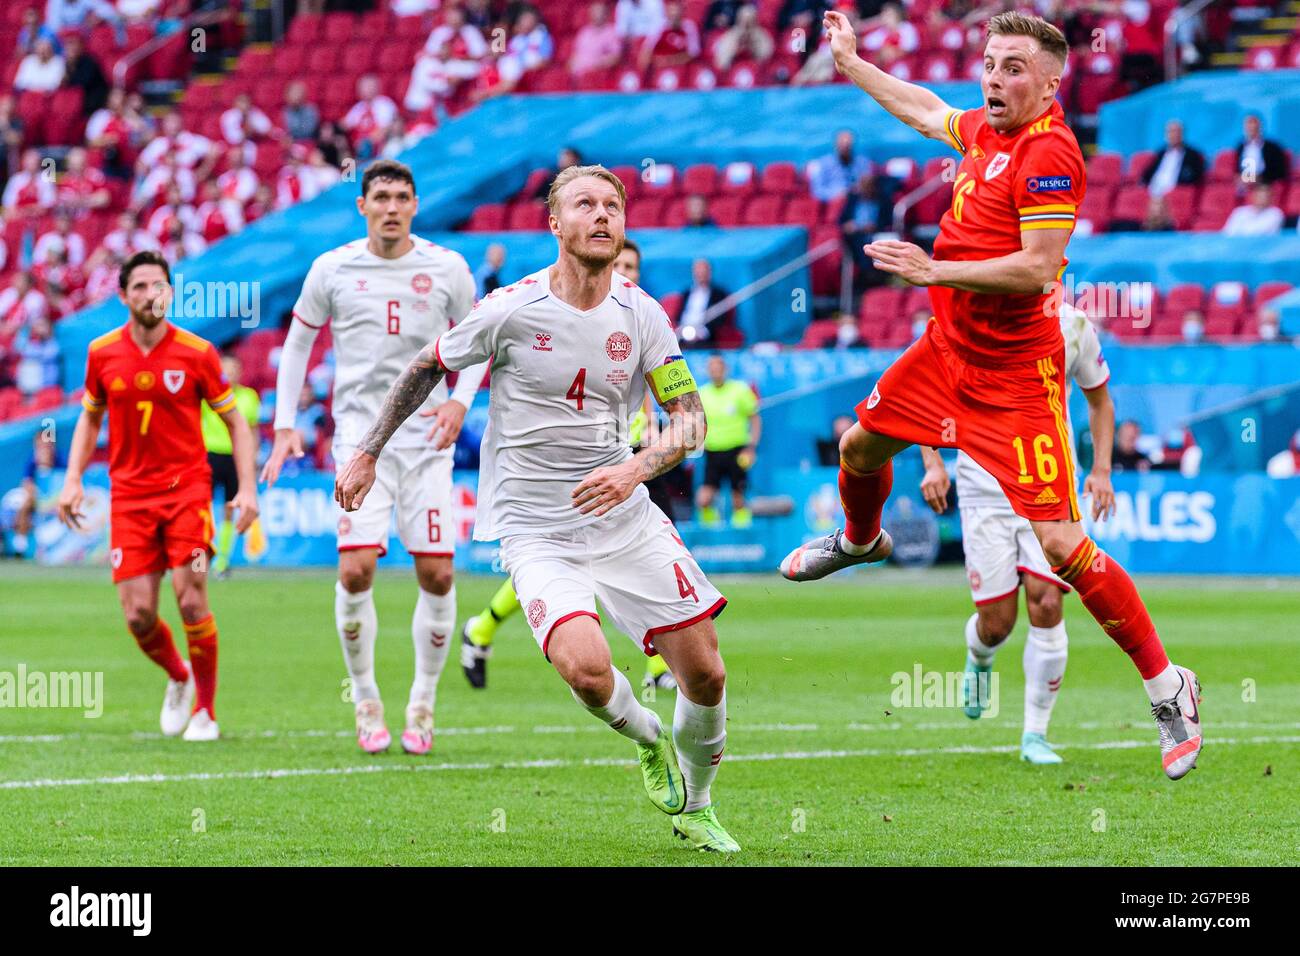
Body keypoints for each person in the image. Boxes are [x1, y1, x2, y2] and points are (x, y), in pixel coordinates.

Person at [778, 10, 1203, 781]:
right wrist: (851, 63)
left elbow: (1041, 269)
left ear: (1051, 80)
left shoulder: (1050, 154)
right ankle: (862, 540)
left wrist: (933, 272)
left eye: (1013, 67)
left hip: (1015, 378)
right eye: (989, 62)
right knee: (858, 448)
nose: (994, 78)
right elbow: (922, 106)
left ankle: (1169, 687)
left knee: (1064, 551)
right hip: (947, 353)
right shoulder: (985, 132)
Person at [336, 164, 739, 852]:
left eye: (614, 204)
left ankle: (697, 805)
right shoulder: (511, 309)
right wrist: (370, 449)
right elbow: (427, 365)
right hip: (536, 528)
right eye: (586, 204)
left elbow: (691, 418)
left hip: (626, 517)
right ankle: (645, 737)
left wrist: (635, 467)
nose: (604, 214)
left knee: (706, 673)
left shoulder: (643, 313)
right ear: (555, 225)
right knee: (585, 670)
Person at [261, 159, 489, 757]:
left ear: (416, 205)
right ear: (362, 206)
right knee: (355, 569)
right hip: (358, 445)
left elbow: (478, 342)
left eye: (402, 197)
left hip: (426, 447)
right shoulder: (332, 269)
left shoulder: (447, 268)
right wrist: (285, 423)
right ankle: (364, 698)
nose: (391, 206)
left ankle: (422, 703)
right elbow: (298, 343)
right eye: (380, 197)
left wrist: (461, 403)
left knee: (437, 573)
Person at [460, 237, 683, 693]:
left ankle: (660, 665)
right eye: (621, 263)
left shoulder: (640, 315)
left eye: (632, 266)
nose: (626, 272)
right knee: (572, 558)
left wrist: (654, 440)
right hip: (575, 461)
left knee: (645, 551)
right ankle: (483, 626)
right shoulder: (562, 315)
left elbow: (668, 394)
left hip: (632, 458)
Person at [56, 251, 259, 741]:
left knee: (191, 600)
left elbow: (236, 420)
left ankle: (205, 712)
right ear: (124, 296)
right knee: (138, 614)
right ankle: (178, 676)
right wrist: (72, 478)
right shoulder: (103, 352)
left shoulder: (197, 353)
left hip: (187, 491)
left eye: (160, 285)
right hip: (129, 497)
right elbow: (90, 415)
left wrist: (247, 488)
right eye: (142, 286)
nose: (153, 295)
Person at [918, 304, 1115, 764]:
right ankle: (981, 656)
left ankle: (1035, 735)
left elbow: (1100, 399)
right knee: (997, 623)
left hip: (1049, 484)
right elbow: (923, 397)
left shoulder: (1073, 325)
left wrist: (1102, 469)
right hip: (983, 488)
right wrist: (932, 463)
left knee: (1048, 601)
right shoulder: (969, 318)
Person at [201, 354, 262, 578]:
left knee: (229, 510)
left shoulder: (249, 397)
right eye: (225, 370)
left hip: (236, 458)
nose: (229, 374)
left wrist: (253, 456)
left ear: (240, 372)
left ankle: (222, 562)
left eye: (233, 370)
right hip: (210, 455)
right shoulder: (208, 396)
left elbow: (253, 429)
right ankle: (202, 561)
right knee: (202, 510)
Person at [696, 355, 760, 528]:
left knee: (738, 498)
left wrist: (751, 447)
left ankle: (742, 537)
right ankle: (711, 534)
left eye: (718, 368)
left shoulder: (740, 390)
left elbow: (754, 419)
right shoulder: (702, 393)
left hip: (737, 451)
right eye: (712, 369)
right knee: (704, 499)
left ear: (725, 370)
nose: (715, 372)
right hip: (713, 452)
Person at [676, 258, 734, 346]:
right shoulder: (686, 293)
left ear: (709, 272)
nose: (701, 274)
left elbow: (720, 319)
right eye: (698, 271)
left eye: (703, 271)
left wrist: (702, 333)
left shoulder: (719, 294)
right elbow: (679, 316)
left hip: (705, 336)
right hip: (684, 333)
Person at [1141, 119, 1205, 198]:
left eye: (1176, 132)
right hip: (1153, 190)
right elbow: (1147, 173)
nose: (1173, 135)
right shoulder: (1161, 153)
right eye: (1170, 132)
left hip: (1176, 192)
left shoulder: (1192, 155)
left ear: (1182, 134)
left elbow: (1195, 176)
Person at [808, 130, 874, 203]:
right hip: (834, 204)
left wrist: (859, 189)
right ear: (836, 144)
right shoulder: (822, 164)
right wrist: (840, 194)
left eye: (848, 145)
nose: (845, 148)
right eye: (842, 145)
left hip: (857, 202)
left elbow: (869, 186)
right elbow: (817, 192)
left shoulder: (862, 162)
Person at [568, 2, 624, 78]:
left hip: (596, 75)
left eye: (599, 13)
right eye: (594, 12)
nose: (597, 15)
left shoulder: (611, 32)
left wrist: (595, 65)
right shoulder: (584, 32)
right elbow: (575, 55)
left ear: (606, 15)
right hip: (578, 76)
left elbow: (616, 58)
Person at [713, 4, 774, 71]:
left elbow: (766, 58)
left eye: (750, 20)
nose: (746, 23)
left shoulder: (762, 36)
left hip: (756, 72)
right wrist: (736, 49)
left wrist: (753, 47)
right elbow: (721, 63)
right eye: (744, 20)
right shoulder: (730, 36)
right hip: (734, 73)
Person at [1235, 113, 1288, 187]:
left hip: (1264, 184)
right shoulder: (1240, 147)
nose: (1251, 127)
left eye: (1254, 124)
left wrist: (1260, 178)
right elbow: (1236, 169)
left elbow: (1280, 172)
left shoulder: (1273, 148)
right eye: (1248, 125)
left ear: (1260, 127)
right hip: (1244, 184)